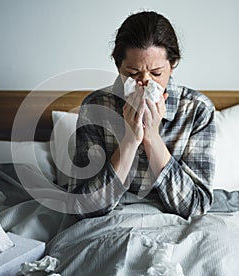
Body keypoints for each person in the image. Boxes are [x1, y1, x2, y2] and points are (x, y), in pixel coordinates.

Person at [67, 11, 216, 219]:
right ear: (118, 66)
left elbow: (196, 207)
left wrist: (152, 137)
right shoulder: (96, 107)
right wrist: (129, 141)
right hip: (110, 223)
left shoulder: (196, 110)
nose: (145, 83)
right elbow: (82, 207)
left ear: (173, 65)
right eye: (133, 74)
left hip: (175, 225)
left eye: (156, 73)